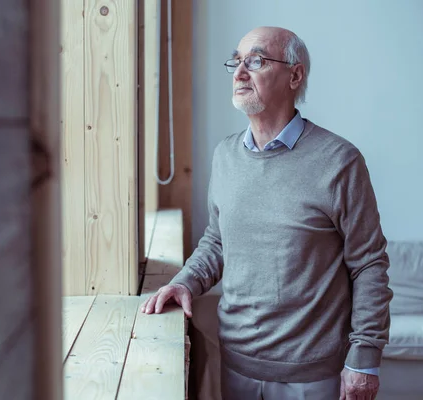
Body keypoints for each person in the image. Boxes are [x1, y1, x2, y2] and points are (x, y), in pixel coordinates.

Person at [140, 26, 393, 400]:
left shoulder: (340, 161)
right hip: (237, 362)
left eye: (255, 61)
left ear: (295, 75)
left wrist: (363, 359)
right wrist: (185, 282)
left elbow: (369, 263)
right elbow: (218, 240)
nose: (240, 73)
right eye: (236, 61)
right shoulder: (225, 155)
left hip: (313, 374)